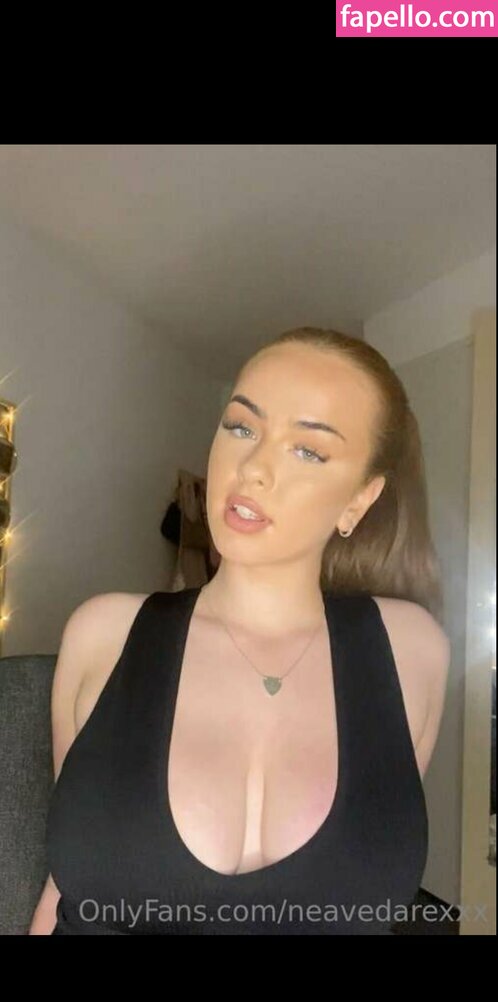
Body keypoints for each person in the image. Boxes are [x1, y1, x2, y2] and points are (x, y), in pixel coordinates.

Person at [30, 326, 450, 935]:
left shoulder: (412, 652)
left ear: (360, 499)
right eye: (241, 427)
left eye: (308, 451)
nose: (253, 468)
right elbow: (63, 887)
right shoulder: (103, 634)